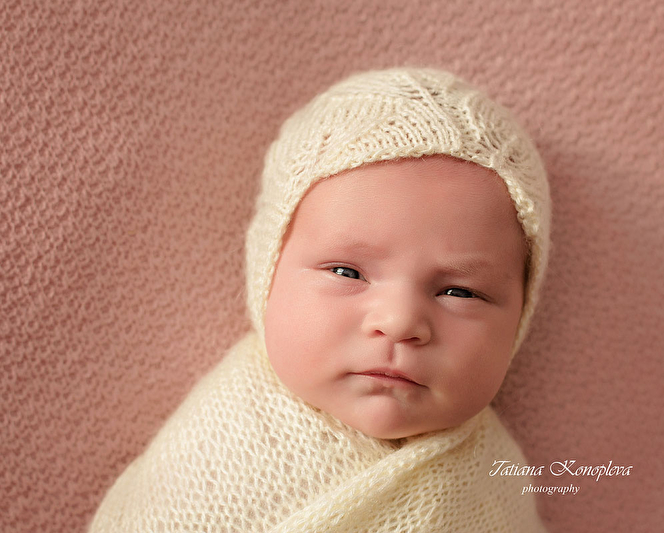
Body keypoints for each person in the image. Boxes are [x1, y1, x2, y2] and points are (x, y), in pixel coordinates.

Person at [89, 67, 551, 532]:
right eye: (347, 272)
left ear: (521, 316)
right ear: (267, 272)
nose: (398, 321)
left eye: (459, 292)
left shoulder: (498, 486)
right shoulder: (208, 457)